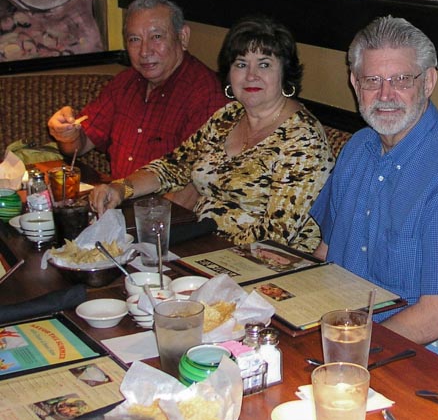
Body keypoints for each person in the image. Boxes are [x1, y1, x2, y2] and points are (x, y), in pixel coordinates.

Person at [309, 15, 438, 349]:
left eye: (401, 79)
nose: (386, 94)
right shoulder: (357, 148)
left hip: (433, 345)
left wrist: (348, 349)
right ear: (355, 84)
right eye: (372, 80)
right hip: (347, 322)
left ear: (428, 82)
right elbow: (326, 252)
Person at [89, 16, 334, 251]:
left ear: (285, 73)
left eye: (264, 64)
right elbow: (174, 166)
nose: (251, 75)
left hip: (267, 264)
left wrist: (202, 248)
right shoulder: (227, 117)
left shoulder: (303, 139)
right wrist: (121, 188)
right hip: (204, 245)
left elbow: (276, 235)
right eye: (241, 64)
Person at [48, 0, 227, 179]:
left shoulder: (206, 95)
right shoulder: (126, 83)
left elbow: (196, 185)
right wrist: (67, 134)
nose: (144, 51)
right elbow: (81, 145)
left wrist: (124, 193)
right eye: (134, 39)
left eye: (156, 37)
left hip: (167, 205)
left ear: (183, 37)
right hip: (122, 200)